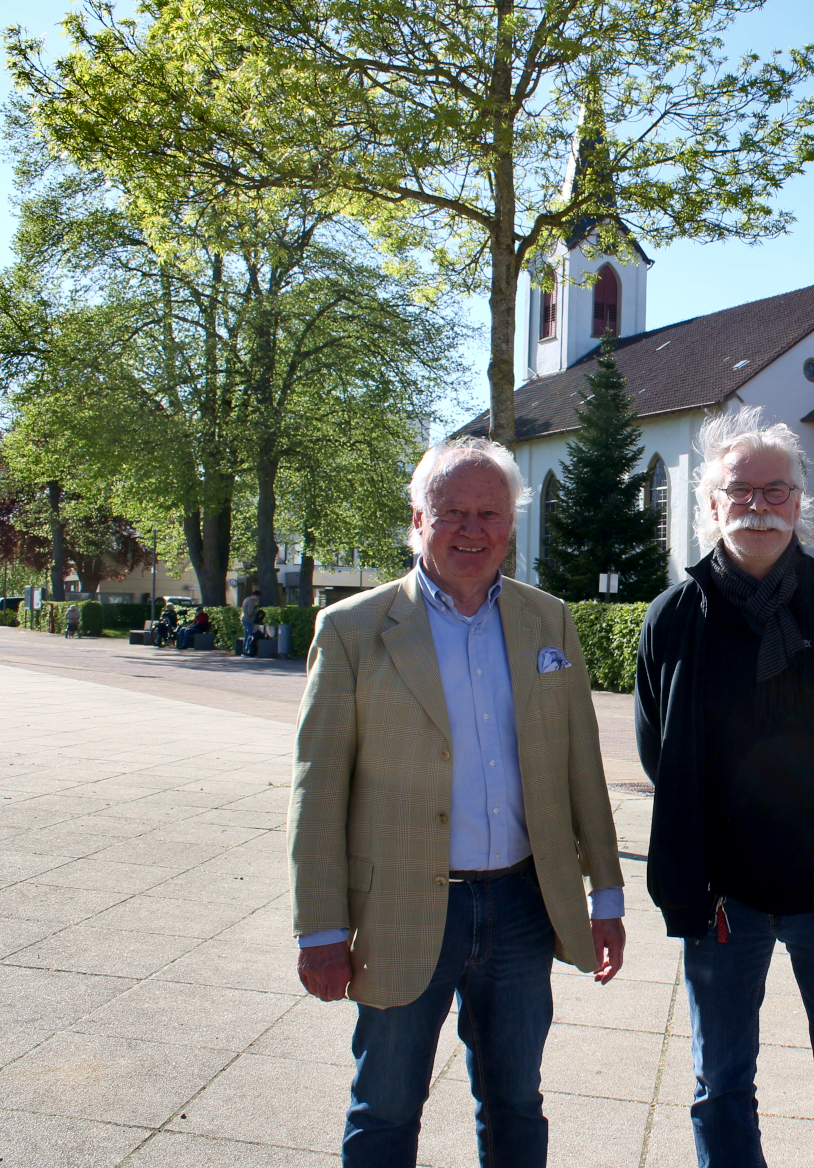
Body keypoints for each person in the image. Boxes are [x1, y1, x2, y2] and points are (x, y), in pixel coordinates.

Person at [290, 435, 626, 1168]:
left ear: (511, 522)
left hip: (520, 909)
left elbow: (580, 768)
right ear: (417, 519)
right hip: (402, 909)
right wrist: (318, 925)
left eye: (490, 513)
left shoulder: (550, 622)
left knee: (515, 1103)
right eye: (453, 513)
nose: (473, 529)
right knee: (384, 1108)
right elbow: (318, 787)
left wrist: (606, 895)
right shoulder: (352, 631)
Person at [635, 407, 814, 1168]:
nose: (759, 504)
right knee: (719, 1083)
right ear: (711, 505)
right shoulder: (673, 618)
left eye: (776, 490)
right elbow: (660, 751)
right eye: (739, 491)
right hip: (723, 896)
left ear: (800, 501)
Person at [240, 591, 261, 656]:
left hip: (244, 619)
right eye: (258, 597)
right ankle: (247, 650)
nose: (257, 598)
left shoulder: (246, 599)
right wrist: (256, 612)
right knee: (249, 636)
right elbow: (250, 612)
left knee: (246, 635)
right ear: (255, 595)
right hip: (248, 620)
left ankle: (244, 650)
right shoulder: (250, 601)